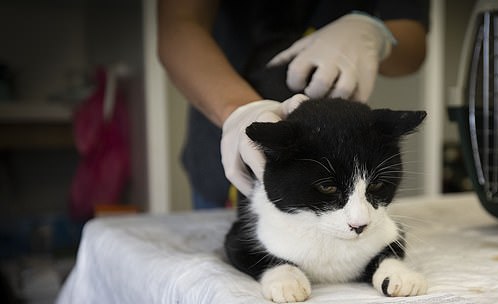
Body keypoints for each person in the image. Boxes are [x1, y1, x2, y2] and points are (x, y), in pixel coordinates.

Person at [158, 0, 429, 208]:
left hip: (341, 154)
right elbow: (178, 24)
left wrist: (376, 34)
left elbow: (412, 37)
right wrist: (238, 111)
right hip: (222, 132)